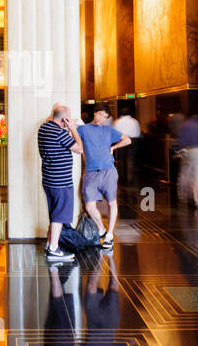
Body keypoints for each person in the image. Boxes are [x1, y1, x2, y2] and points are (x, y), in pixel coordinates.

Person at [78, 107, 130, 250]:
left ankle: (109, 235)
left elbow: (127, 140)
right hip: (90, 172)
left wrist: (114, 148)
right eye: (100, 114)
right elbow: (75, 142)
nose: (102, 118)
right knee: (89, 206)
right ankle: (101, 230)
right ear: (95, 113)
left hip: (108, 171)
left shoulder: (109, 130)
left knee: (112, 203)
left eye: (105, 117)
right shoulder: (83, 129)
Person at [37, 103, 83, 263]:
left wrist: (61, 117)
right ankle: (54, 249)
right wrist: (74, 130)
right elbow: (79, 148)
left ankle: (50, 244)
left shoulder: (44, 128)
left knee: (55, 212)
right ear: (64, 119)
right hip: (60, 180)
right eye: (68, 119)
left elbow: (54, 117)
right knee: (60, 214)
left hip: (49, 178)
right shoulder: (59, 133)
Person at [114, 104, 142, 183]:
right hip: (133, 141)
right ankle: (130, 178)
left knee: (122, 159)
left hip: (122, 140)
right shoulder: (134, 121)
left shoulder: (117, 121)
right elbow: (138, 133)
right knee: (131, 159)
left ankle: (122, 177)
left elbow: (114, 133)